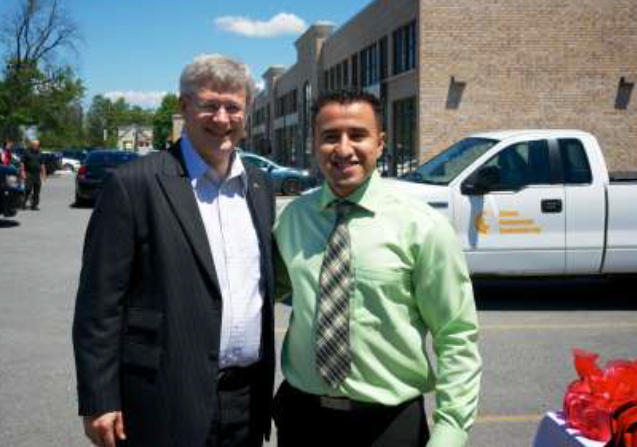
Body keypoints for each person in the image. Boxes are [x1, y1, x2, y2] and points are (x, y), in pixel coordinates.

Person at [72, 54, 276, 447]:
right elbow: (99, 303)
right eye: (209, 105)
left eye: (233, 107)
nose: (222, 118)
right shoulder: (134, 185)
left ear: (247, 112)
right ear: (184, 107)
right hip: (162, 399)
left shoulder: (259, 186)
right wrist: (99, 399)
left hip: (246, 401)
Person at [272, 88, 482, 447]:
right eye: (329, 137)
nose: (343, 149)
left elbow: (456, 335)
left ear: (380, 143)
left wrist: (451, 431)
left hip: (388, 425)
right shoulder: (291, 220)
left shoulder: (423, 227)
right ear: (314, 145)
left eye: (357, 135)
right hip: (302, 420)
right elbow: (255, 298)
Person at [20, 139, 45, 210]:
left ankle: (34, 205)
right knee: (27, 190)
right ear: (32, 145)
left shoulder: (40, 153)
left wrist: (43, 175)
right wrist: (22, 172)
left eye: (38, 145)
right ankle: (23, 204)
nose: (37, 146)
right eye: (35, 145)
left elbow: (42, 164)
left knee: (37, 191)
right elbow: (22, 163)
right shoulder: (26, 152)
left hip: (37, 174)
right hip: (29, 173)